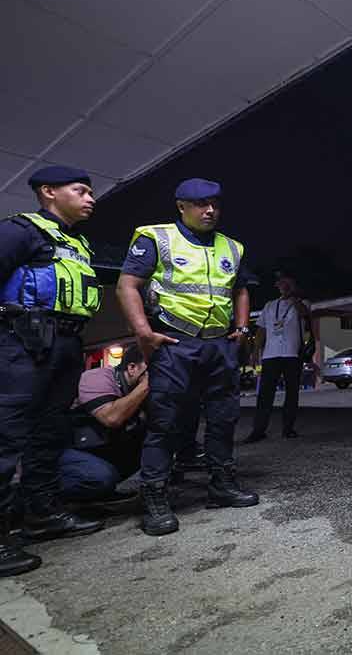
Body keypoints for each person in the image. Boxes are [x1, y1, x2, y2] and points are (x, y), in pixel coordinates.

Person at [117, 178, 259, 537]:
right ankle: (155, 497)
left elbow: (241, 289)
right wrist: (142, 332)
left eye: (214, 203)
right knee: (166, 422)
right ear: (181, 206)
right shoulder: (156, 237)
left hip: (219, 346)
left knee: (224, 418)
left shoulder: (233, 246)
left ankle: (222, 485)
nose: (209, 210)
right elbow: (127, 285)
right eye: (199, 204)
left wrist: (241, 330)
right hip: (175, 343)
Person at [0, 166, 105, 577]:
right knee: (7, 437)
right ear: (48, 192)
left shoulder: (77, 243)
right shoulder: (19, 231)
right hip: (21, 344)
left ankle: (42, 517)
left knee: (49, 434)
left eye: (91, 192)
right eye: (80, 190)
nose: (90, 198)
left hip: (64, 343)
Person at [60, 345, 149, 503]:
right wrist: (146, 384)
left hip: (97, 446)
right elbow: (111, 418)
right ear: (132, 368)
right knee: (101, 478)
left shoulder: (134, 389)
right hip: (65, 449)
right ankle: (42, 499)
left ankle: (100, 489)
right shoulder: (97, 377)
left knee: (154, 445)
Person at [244, 270, 317, 443]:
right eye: (280, 283)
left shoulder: (302, 303)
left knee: (291, 394)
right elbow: (261, 330)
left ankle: (288, 428)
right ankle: (258, 430)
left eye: (286, 283)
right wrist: (255, 351)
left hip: (292, 354)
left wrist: (293, 295)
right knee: (265, 395)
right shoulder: (270, 305)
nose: (282, 286)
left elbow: (304, 314)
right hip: (271, 355)